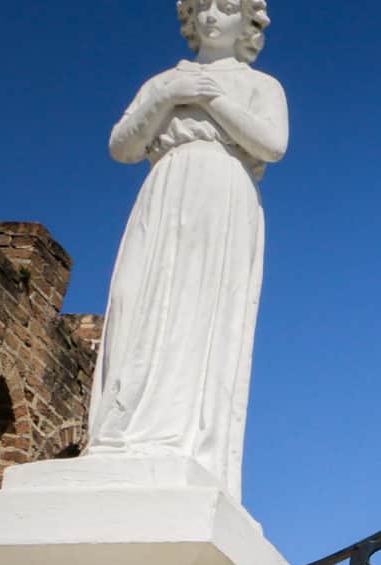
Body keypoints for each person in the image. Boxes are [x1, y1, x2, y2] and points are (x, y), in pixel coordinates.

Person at [87, 0, 288, 499]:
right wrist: (168, 98)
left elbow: (273, 144)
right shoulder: (164, 81)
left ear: (248, 21)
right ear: (189, 19)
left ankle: (184, 439)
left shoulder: (261, 86)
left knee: (199, 312)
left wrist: (213, 101)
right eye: (204, 7)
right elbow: (122, 146)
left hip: (222, 191)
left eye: (227, 7)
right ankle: (121, 429)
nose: (213, 16)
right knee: (141, 303)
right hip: (165, 186)